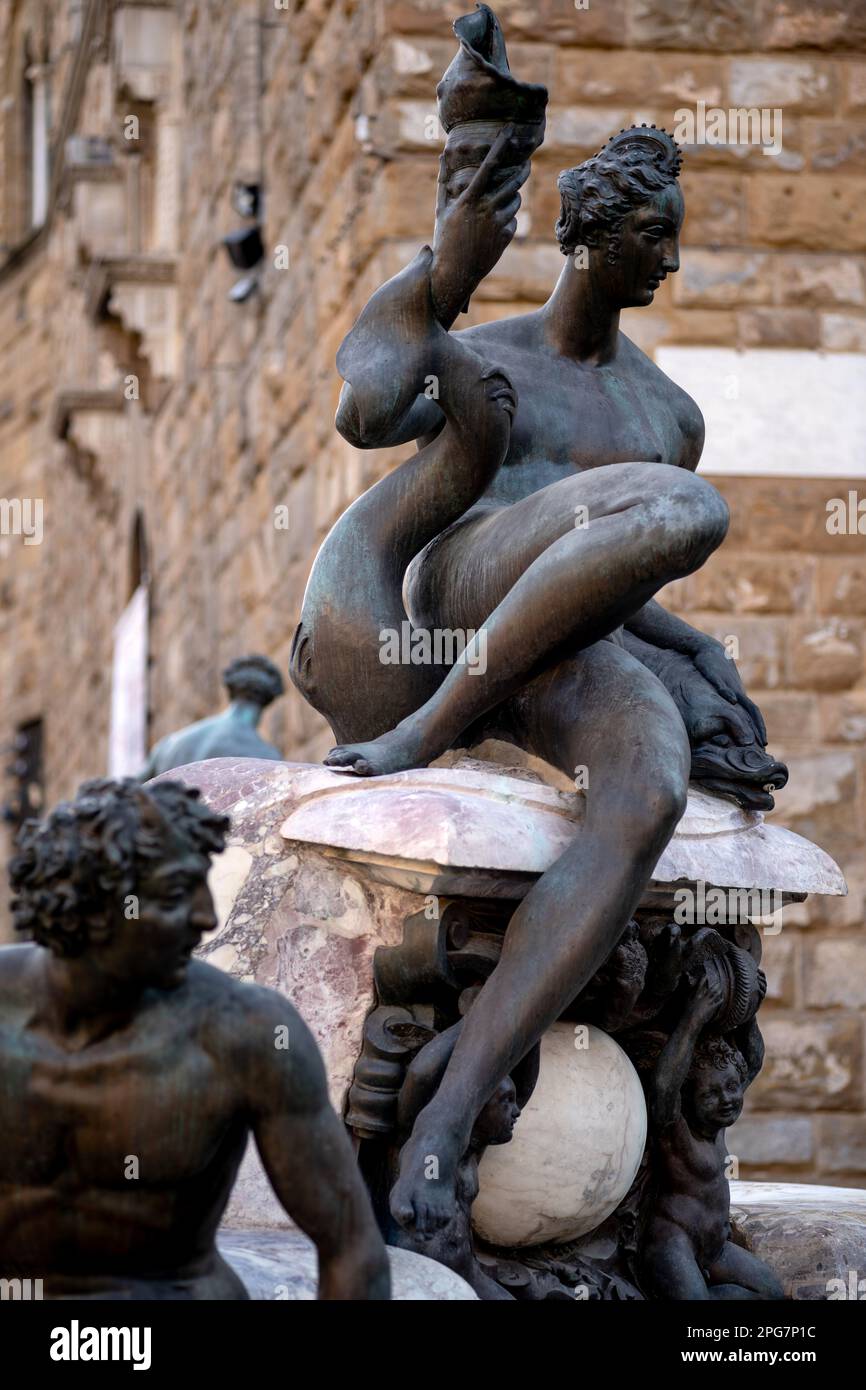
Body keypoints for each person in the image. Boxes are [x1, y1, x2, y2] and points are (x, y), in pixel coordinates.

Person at [289, 36, 785, 1235]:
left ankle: (450, 1121)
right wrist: (444, 266)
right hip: (452, 598)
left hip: (561, 648)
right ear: (587, 236)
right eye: (648, 236)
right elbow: (365, 413)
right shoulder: (494, 354)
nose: (666, 260)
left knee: (649, 782)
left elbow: (609, 570)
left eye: (672, 237)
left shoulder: (665, 412)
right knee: (682, 507)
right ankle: (432, 728)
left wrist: (701, 655)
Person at [1, 778, 390, 1300]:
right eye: (177, 894)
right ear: (97, 906)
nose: (207, 917)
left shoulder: (245, 1033)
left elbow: (350, 1247)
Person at [638, 973, 783, 1300]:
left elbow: (753, 1061)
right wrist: (694, 1016)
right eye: (710, 1095)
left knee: (770, 1292)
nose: (728, 1099)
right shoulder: (677, 1130)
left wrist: (750, 1012)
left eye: (733, 1086)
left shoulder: (717, 1119)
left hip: (714, 1247)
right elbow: (664, 1086)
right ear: (688, 1099)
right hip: (675, 1244)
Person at [139, 654, 284, 779]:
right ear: (269, 700)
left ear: (231, 691)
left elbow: (132, 792)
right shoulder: (265, 756)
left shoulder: (170, 743)